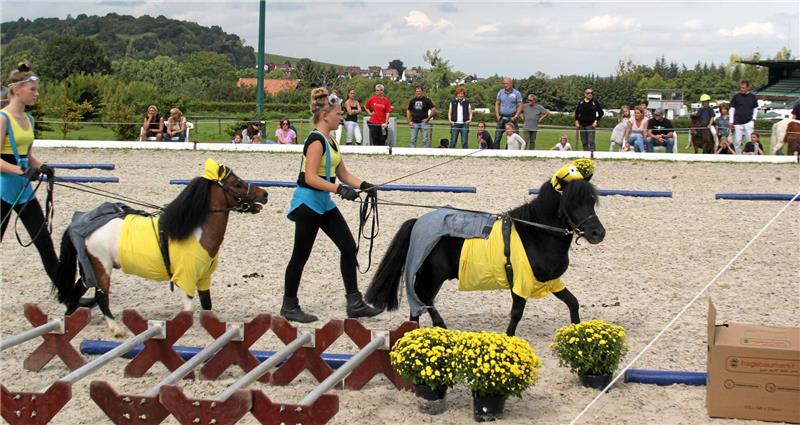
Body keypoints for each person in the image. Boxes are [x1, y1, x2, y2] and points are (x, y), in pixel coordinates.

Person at [282, 87, 382, 323]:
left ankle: (355, 303)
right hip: (308, 203)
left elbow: (343, 173)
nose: (341, 117)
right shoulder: (315, 141)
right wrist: (339, 189)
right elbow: (310, 177)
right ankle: (289, 305)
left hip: (323, 203)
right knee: (300, 255)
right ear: (325, 115)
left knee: (348, 247)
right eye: (338, 114)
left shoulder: (331, 142)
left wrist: (364, 185)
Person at [0, 61, 59, 284]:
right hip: (3, 189)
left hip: (23, 191)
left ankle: (67, 294)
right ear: (17, 90)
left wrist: (41, 166)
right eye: (32, 90)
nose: (37, 94)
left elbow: (26, 155)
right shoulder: (3, 119)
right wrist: (21, 170)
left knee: (43, 241)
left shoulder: (29, 120)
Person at [729, 80, 758, 154]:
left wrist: (754, 119)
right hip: (737, 123)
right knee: (737, 141)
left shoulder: (753, 97)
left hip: (749, 122)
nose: (742, 89)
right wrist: (731, 121)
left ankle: (751, 155)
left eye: (744, 88)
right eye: (741, 88)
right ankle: (738, 156)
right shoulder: (736, 97)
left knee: (750, 141)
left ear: (748, 87)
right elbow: (732, 109)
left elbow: (755, 108)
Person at [494, 77, 523, 149]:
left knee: (513, 138)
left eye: (506, 83)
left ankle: (508, 152)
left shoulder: (517, 93)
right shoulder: (500, 92)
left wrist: (516, 115)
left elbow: (520, 105)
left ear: (511, 83)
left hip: (512, 118)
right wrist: (497, 115)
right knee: (497, 137)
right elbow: (497, 103)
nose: (505, 85)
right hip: (502, 117)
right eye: (504, 83)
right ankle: (495, 153)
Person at [574, 86, 604, 151]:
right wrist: (576, 121)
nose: (590, 94)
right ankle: (586, 154)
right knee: (584, 142)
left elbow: (601, 113)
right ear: (584, 94)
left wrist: (596, 121)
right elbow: (576, 113)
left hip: (591, 125)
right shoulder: (581, 102)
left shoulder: (595, 102)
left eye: (591, 93)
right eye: (588, 93)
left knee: (591, 142)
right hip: (582, 125)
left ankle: (592, 155)